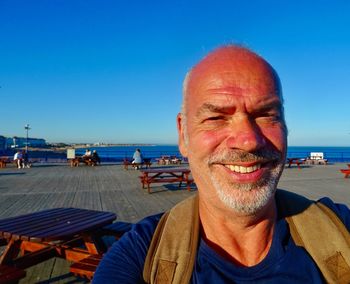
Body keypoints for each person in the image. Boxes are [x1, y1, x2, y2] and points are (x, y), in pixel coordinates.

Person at [93, 46, 350, 283]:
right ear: (183, 134)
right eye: (216, 117)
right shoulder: (142, 257)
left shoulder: (340, 232)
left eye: (266, 115)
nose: (248, 141)